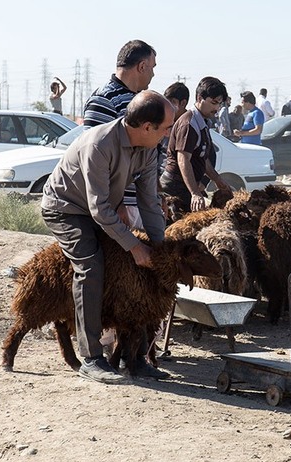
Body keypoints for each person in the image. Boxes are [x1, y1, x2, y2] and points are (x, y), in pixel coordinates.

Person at [40, 90, 175, 384]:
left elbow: (150, 201)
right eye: (165, 128)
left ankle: (135, 357)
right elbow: (98, 208)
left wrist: (159, 249)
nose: (168, 135)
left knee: (136, 270)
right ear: (147, 127)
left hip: (99, 208)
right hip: (66, 209)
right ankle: (91, 358)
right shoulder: (100, 144)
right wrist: (134, 246)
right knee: (91, 265)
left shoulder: (149, 149)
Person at [82, 39, 158, 230]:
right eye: (152, 67)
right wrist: (116, 204)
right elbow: (93, 159)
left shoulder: (138, 101)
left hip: (139, 202)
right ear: (142, 66)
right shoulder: (104, 99)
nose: (153, 74)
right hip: (117, 209)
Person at [160, 76, 232, 213]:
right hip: (174, 187)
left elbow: (202, 158)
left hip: (184, 186)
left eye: (219, 104)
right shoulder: (189, 124)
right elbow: (183, 160)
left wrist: (217, 179)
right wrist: (194, 193)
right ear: (199, 98)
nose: (216, 108)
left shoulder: (202, 123)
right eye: (213, 102)